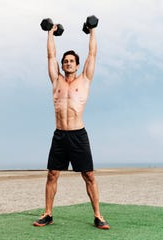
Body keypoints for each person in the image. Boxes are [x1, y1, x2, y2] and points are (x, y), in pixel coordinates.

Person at [33, 23, 110, 230]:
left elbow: (92, 55)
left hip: (78, 135)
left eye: (71, 61)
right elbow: (50, 56)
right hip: (60, 135)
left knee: (89, 175)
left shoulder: (84, 80)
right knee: (52, 174)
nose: (67, 63)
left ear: (76, 65)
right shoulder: (56, 80)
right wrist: (50, 33)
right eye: (65, 61)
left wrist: (92, 31)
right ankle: (48, 214)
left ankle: (98, 215)